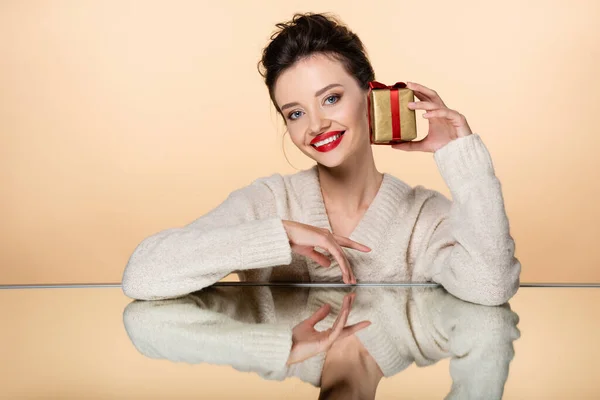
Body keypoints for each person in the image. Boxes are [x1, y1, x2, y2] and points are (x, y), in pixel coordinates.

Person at [121, 12, 521, 306]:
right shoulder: (268, 202)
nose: (316, 125)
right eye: (295, 113)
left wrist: (462, 159)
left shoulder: (423, 218)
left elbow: (491, 286)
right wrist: (280, 235)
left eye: (331, 98)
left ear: (371, 95)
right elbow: (143, 274)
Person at [123, 285, 520, 399]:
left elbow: (143, 322)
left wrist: (280, 349)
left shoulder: (267, 344)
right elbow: (491, 323)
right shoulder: (421, 337)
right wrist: (460, 154)